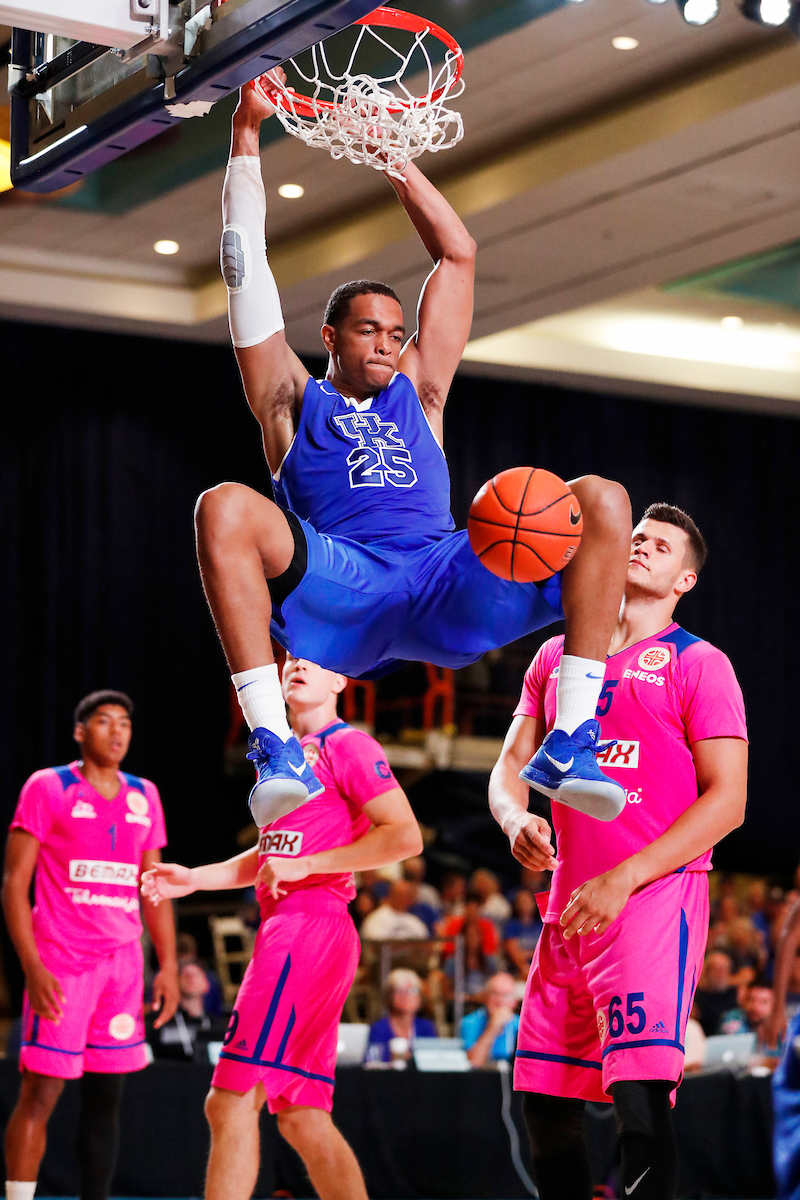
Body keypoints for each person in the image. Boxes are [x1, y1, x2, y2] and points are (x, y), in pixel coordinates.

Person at [194, 74, 634, 828]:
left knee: (601, 499)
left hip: (442, 575)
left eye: (397, 333)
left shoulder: (421, 392)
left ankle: (570, 738)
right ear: (329, 336)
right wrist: (245, 138)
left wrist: (395, 159)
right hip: (344, 581)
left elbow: (458, 255)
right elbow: (245, 265)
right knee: (223, 507)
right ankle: (272, 741)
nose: (389, 344)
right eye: (370, 330)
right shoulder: (291, 400)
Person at [489, 503, 748, 1200]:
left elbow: (729, 802)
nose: (641, 548)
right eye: (636, 537)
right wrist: (514, 816)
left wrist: (624, 878)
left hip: (650, 902)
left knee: (637, 1099)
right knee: (545, 1107)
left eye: (660, 546)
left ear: (684, 580)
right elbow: (508, 765)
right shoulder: (557, 656)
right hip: (566, 907)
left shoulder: (700, 664)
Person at [141, 656, 422, 1200]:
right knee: (300, 1115)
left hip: (308, 926)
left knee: (228, 1098)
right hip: (298, 928)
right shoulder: (281, 756)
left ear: (341, 680)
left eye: (315, 661)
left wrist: (314, 865)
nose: (297, 666)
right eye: (291, 658)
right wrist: (194, 878)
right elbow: (272, 855)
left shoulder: (350, 746)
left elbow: (405, 837)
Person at [2, 690, 179, 1200]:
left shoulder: (145, 794)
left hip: (123, 967)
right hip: (61, 962)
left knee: (108, 1099)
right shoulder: (48, 786)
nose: (118, 731)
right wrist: (31, 968)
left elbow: (155, 886)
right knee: (41, 1094)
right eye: (104, 722)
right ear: (81, 732)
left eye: (125, 722)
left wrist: (165, 965)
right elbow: (14, 884)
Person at [147, 961, 229, 1063]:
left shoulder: (217, 1025)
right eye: (185, 975)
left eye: (197, 975)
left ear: (206, 984)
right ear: (175, 983)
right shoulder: (159, 1023)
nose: (191, 978)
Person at [365, 969, 437, 1064]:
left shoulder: (426, 1027)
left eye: (412, 990)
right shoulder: (379, 1028)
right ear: (389, 996)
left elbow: (433, 1060)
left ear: (420, 998)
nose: (406, 996)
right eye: (400, 990)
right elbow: (373, 1060)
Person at [462, 973, 520, 1068]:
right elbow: (473, 1063)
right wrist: (492, 1028)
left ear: (514, 1002)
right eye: (495, 994)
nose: (500, 1000)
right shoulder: (470, 1022)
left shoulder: (521, 1025)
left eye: (506, 995)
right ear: (485, 997)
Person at [358, 879, 429, 941]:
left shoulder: (414, 921)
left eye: (406, 895)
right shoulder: (376, 919)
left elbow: (424, 944)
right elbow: (373, 946)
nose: (403, 899)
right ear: (391, 894)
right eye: (399, 894)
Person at [693, 951, 739, 1036]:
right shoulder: (697, 996)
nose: (720, 974)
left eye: (723, 969)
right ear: (707, 972)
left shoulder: (735, 993)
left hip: (732, 1039)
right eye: (716, 970)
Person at [503, 889, 543, 980]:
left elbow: (545, 951)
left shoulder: (540, 924)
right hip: (517, 971)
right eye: (521, 902)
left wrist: (526, 954)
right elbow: (514, 953)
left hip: (540, 967)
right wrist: (525, 969)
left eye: (527, 901)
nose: (524, 904)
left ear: (534, 903)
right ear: (516, 905)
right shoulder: (512, 925)